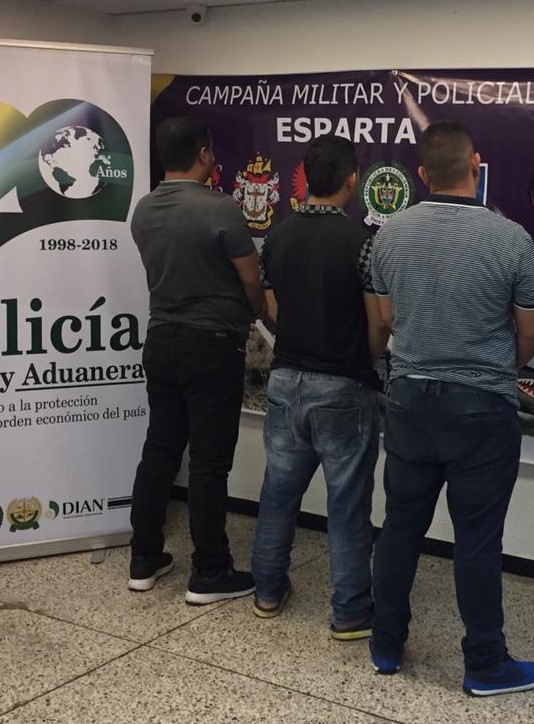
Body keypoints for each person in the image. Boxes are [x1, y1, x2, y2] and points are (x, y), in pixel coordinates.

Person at [369, 121, 534, 697]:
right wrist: (495, 368)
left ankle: (385, 646)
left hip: (409, 400)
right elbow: (532, 331)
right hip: (481, 409)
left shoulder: (389, 235)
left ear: (423, 174)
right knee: (477, 541)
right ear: (476, 165)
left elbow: (386, 318)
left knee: (400, 528)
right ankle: (486, 665)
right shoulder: (510, 238)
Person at [250, 135, 390, 638]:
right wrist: (362, 357)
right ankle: (350, 613)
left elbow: (271, 306)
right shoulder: (363, 244)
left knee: (278, 493)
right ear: (352, 180)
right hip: (344, 386)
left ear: (306, 178)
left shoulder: (278, 237)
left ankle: (267, 592)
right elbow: (381, 322)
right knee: (347, 505)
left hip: (286, 380)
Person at [126, 116, 265, 604]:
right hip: (212, 345)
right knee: (209, 462)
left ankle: (144, 558)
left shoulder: (142, 210)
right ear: (204, 154)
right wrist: (254, 311)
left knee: (160, 450)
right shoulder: (220, 209)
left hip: (161, 339)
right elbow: (251, 280)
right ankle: (209, 571)